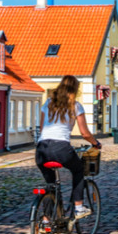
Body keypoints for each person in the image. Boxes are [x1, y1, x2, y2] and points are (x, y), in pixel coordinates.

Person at [36, 75, 103, 219]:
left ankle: (47, 220)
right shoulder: (76, 106)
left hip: (42, 149)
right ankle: (78, 207)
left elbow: (42, 129)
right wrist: (95, 143)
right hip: (61, 149)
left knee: (50, 185)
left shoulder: (47, 103)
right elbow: (84, 133)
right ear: (75, 89)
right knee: (78, 170)